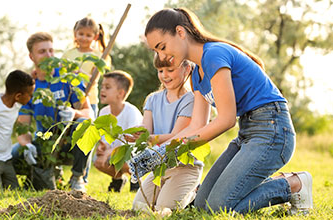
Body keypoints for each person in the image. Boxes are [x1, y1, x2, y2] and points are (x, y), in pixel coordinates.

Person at [129, 8, 313, 215]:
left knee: (218, 208)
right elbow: (196, 127)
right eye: (156, 51)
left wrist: (166, 150)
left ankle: (294, 185)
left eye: (162, 47)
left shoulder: (214, 54)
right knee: (202, 206)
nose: (162, 56)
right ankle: (261, 188)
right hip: (248, 133)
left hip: (273, 130)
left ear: (180, 32)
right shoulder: (196, 75)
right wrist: (160, 151)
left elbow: (226, 120)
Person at [11, 32, 94, 192]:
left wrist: (73, 113)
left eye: (51, 50)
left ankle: (77, 178)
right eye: (42, 52)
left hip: (69, 145)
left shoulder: (68, 78)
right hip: (45, 145)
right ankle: (44, 174)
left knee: (85, 125)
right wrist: (27, 145)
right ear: (31, 57)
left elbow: (89, 113)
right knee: (16, 153)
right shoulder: (30, 88)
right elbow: (22, 128)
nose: (48, 55)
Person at [131, 55, 202, 214]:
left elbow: (176, 136)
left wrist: (149, 138)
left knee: (164, 209)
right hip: (160, 167)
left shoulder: (191, 100)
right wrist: (137, 134)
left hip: (184, 166)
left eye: (170, 70)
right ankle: (177, 191)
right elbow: (146, 130)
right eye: (160, 70)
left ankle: (195, 192)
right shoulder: (153, 99)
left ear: (187, 69)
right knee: (139, 208)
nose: (164, 75)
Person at [93, 70, 143, 192]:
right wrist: (103, 147)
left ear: (120, 93)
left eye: (107, 87)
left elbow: (132, 144)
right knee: (98, 161)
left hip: (133, 153)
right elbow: (105, 138)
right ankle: (118, 179)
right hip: (114, 152)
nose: (102, 90)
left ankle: (136, 181)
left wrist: (110, 152)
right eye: (102, 86)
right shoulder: (103, 112)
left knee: (126, 161)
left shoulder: (131, 112)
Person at [62, 16, 111, 118]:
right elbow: (60, 75)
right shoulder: (68, 54)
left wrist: (79, 73)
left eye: (88, 35)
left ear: (95, 37)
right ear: (75, 33)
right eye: (81, 34)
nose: (84, 38)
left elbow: (93, 81)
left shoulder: (98, 56)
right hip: (69, 101)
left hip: (89, 101)